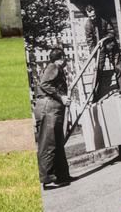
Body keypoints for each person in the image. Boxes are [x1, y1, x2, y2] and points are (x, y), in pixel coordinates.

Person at [34, 48, 73, 189]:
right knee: (48, 143)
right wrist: (61, 96)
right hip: (49, 108)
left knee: (57, 143)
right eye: (64, 58)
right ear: (61, 58)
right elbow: (44, 84)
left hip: (52, 108)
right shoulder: (53, 67)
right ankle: (47, 179)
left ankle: (62, 175)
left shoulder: (55, 68)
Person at [84, 4, 121, 100]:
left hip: (111, 46)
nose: (92, 18)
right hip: (99, 50)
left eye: (94, 15)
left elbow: (112, 32)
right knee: (98, 70)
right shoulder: (88, 25)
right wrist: (94, 53)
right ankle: (96, 96)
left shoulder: (104, 19)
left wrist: (104, 39)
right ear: (87, 15)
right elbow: (89, 41)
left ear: (96, 12)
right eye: (90, 16)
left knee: (118, 67)